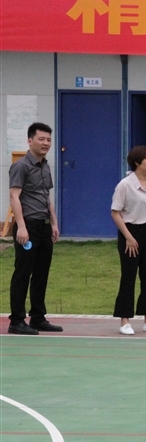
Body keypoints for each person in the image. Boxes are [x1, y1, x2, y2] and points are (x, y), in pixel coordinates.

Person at [7, 122, 63, 335]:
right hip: (27, 226)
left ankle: (38, 317)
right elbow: (14, 196)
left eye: (48, 139)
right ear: (30, 141)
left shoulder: (45, 166)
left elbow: (46, 196)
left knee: (41, 273)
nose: (46, 143)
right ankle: (17, 320)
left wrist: (54, 223)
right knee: (23, 272)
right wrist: (21, 227)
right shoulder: (21, 166)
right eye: (41, 139)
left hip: (44, 226)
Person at [110, 146, 146, 335]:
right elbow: (115, 212)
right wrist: (128, 237)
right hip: (130, 232)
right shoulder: (125, 185)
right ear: (137, 162)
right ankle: (125, 321)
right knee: (128, 277)